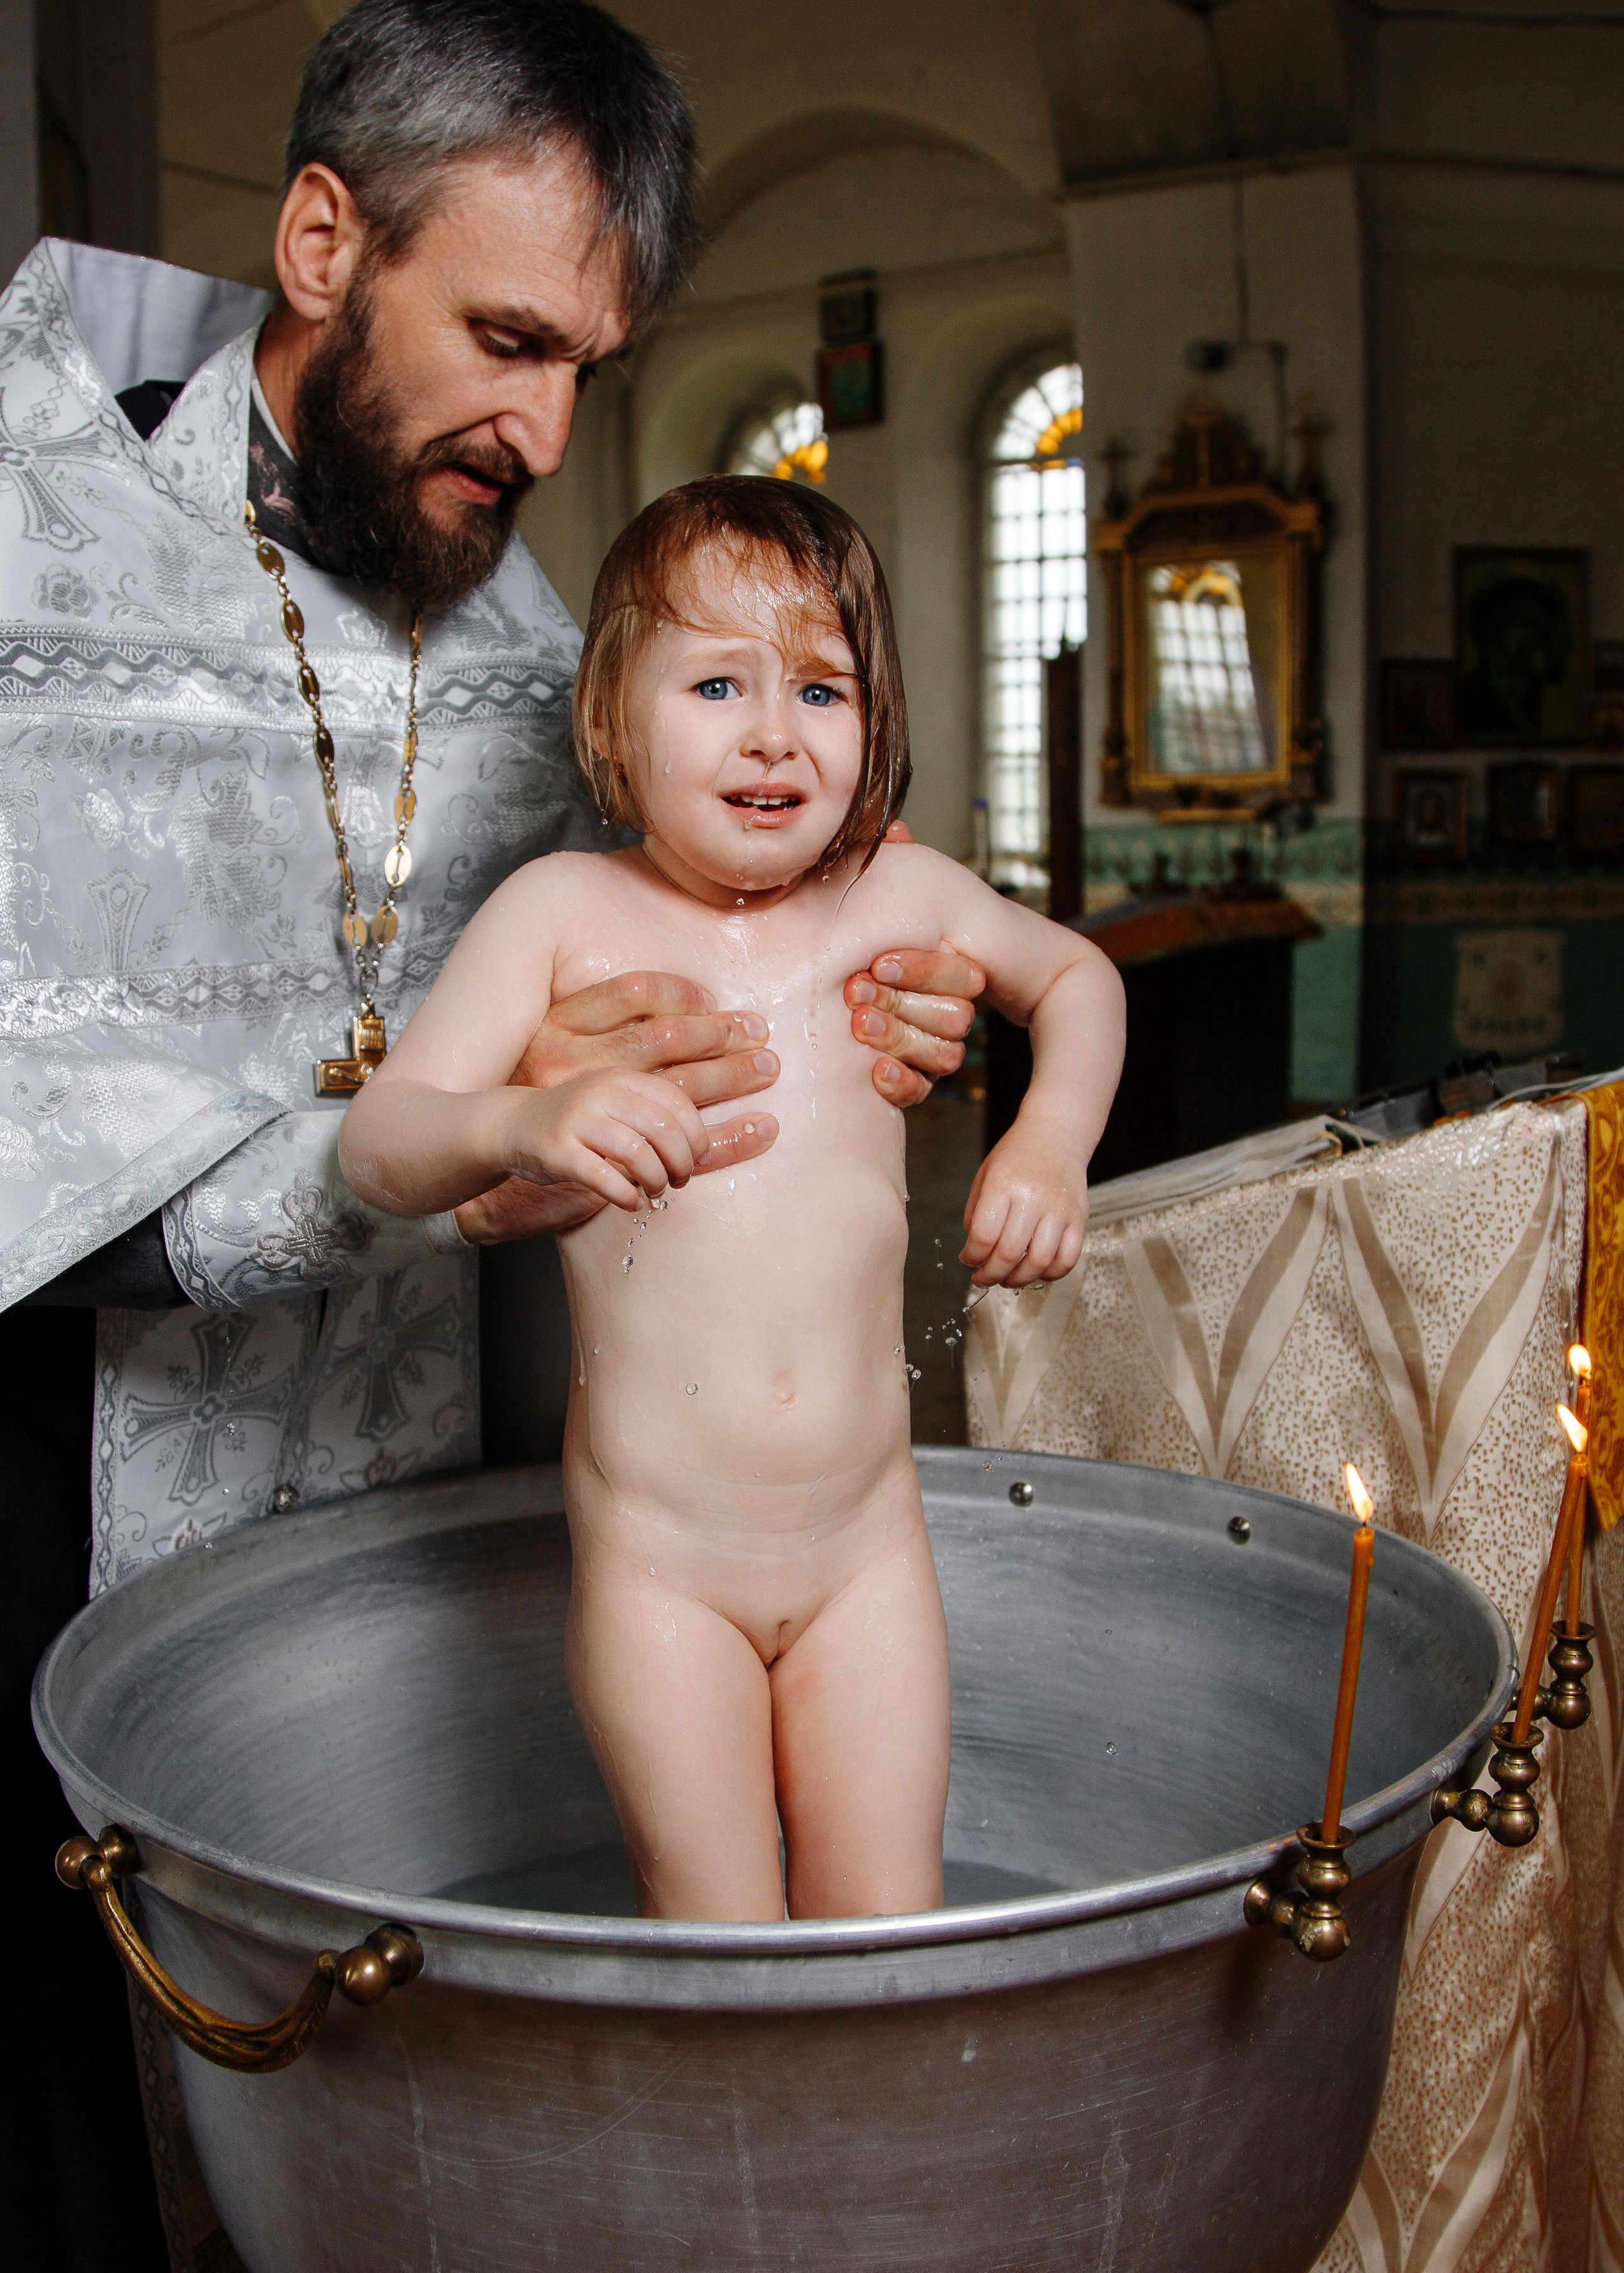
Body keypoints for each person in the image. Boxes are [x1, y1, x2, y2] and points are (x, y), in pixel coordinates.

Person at [0, 2, 979, 2255]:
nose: (548, 431)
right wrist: (400, 1150)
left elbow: (708, 964)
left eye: (588, 365)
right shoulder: (31, 552)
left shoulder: (550, 643)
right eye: (508, 340)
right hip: (53, 1480)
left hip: (422, 1514)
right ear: (324, 238)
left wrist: (870, 1028)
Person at [340, 477, 1125, 1919]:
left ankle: (866, 2148)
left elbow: (1078, 977)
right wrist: (528, 1114)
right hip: (661, 1577)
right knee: (716, 1934)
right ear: (611, 718)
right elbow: (381, 1141)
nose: (773, 733)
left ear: (874, 723)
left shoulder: (899, 900)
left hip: (865, 1556)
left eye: (821, 690)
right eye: (716, 682)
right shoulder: (562, 917)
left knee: (883, 1917)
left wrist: (1044, 1141)